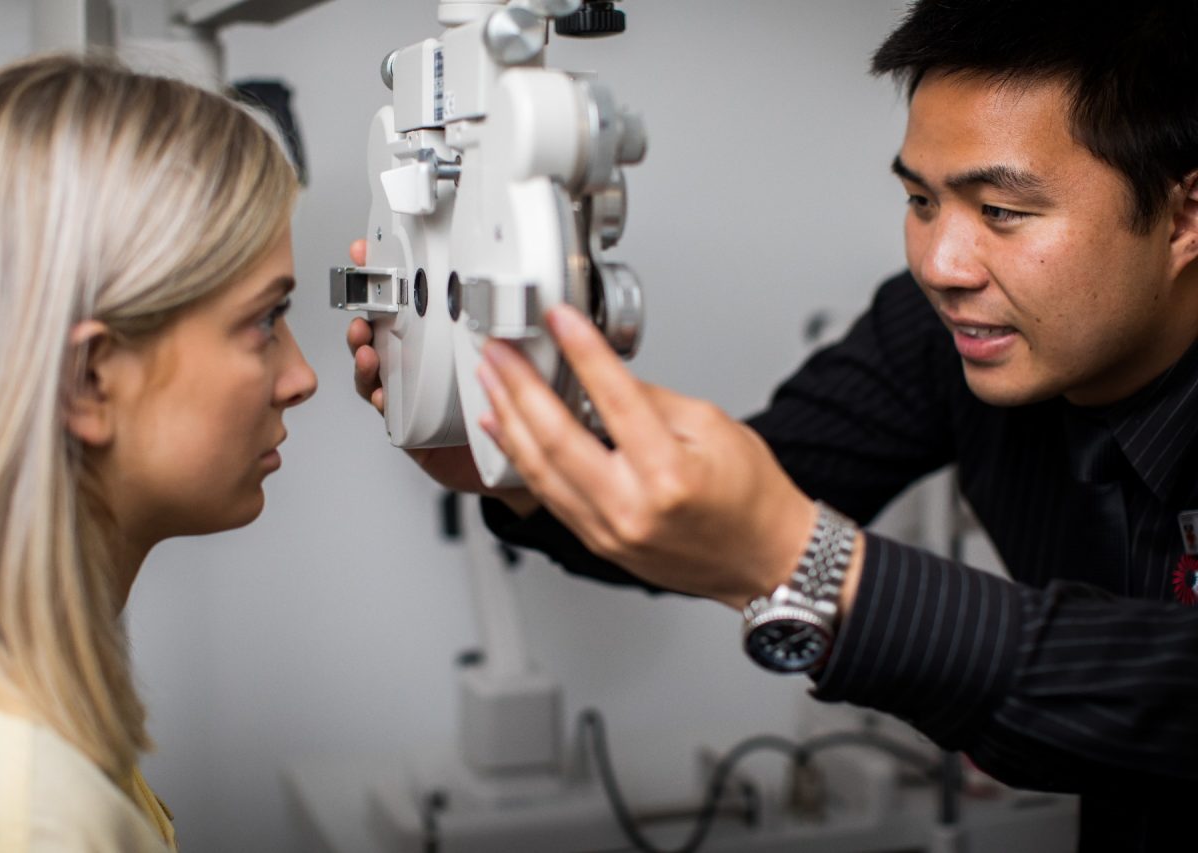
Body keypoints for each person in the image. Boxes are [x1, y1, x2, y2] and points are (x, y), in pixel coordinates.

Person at [349, 1, 1198, 849]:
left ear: (1183, 218)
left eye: (1002, 213)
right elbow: (734, 501)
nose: (941, 265)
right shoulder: (942, 336)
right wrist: (516, 464)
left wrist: (810, 570)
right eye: (920, 199)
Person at [0, 54, 317, 850]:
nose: (300, 377)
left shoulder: (2, 697)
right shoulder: (28, 812)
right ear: (89, 380)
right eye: (265, 322)